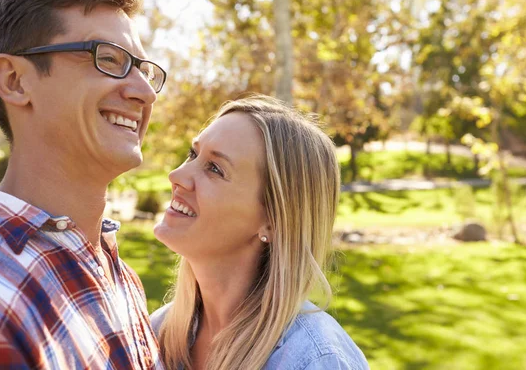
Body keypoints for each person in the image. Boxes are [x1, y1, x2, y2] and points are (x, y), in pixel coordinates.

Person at [0, 0, 166, 369]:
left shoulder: (116, 271)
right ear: (15, 81)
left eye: (143, 70)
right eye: (108, 58)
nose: (145, 92)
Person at [151, 95, 369, 370]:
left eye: (215, 169)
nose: (176, 176)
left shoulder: (315, 359)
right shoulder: (156, 334)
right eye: (193, 154)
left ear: (273, 220)